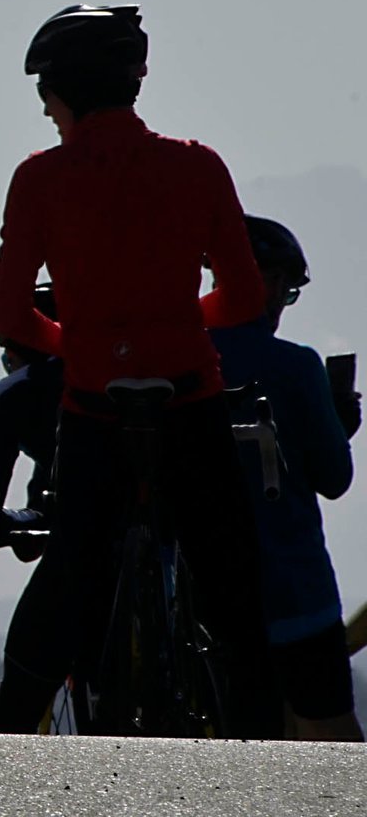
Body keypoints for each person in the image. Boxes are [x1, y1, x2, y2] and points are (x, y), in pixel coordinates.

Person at [0, 3, 271, 735]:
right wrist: (177, 322)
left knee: (70, 580)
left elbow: (11, 316)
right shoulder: (198, 167)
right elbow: (244, 297)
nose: (46, 110)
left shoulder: (39, 180)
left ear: (65, 90)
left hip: (94, 410)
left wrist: (77, 339)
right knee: (234, 587)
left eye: (45, 94)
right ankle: (270, 756)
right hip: (189, 400)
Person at [210, 214, 361, 740]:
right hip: (296, 596)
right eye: (287, 290)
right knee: (333, 746)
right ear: (270, 283)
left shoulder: (180, 360)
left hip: (206, 605)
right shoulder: (295, 367)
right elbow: (334, 476)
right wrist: (339, 425)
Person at [0, 286, 67, 733]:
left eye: (9, 354)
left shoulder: (21, 391)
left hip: (88, 539)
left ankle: (3, 775)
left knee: (29, 656)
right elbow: (45, 489)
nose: (8, 366)